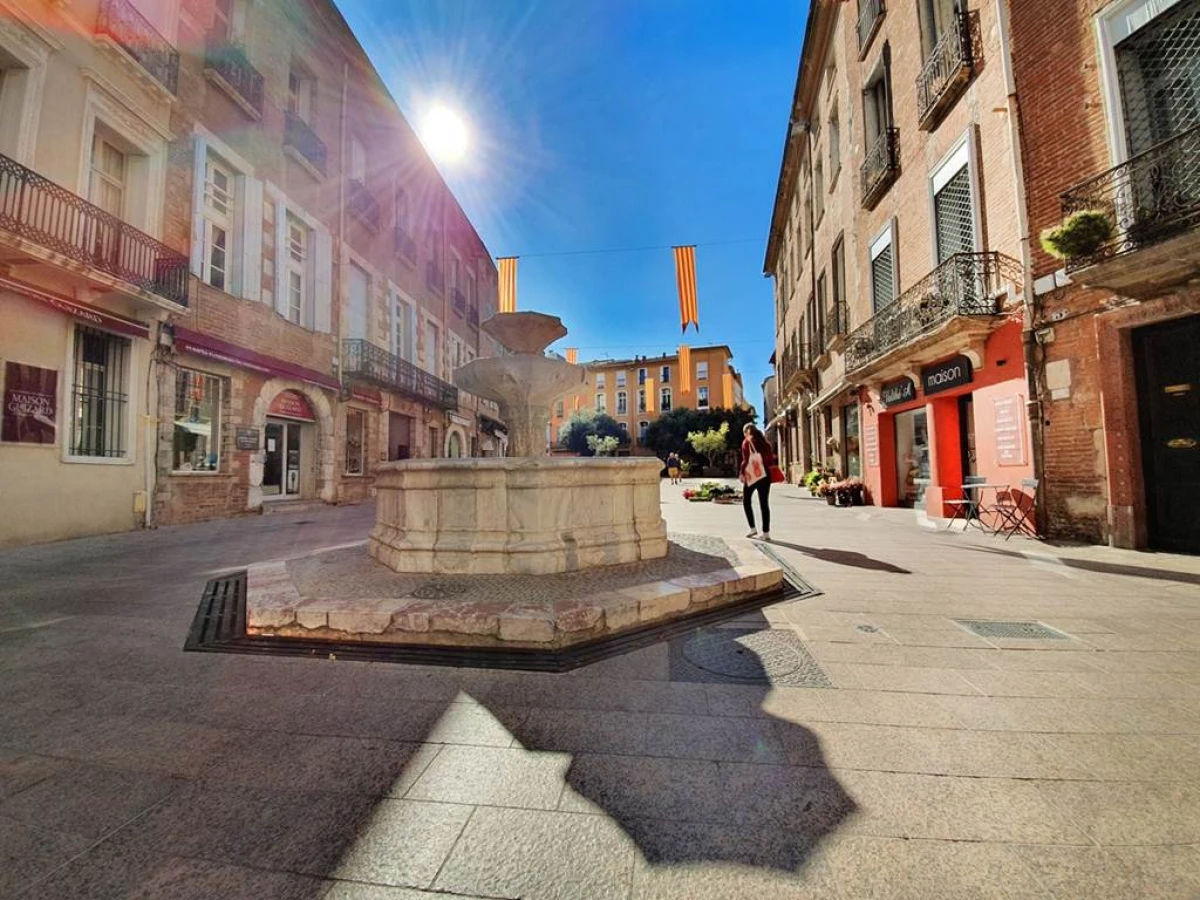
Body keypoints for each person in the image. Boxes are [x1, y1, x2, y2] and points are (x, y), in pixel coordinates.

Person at [740, 423, 776, 540]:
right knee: (764, 504)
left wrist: (741, 473)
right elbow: (771, 459)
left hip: (753, 475)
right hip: (765, 475)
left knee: (746, 500)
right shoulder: (766, 444)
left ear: (746, 432)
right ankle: (766, 533)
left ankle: (752, 528)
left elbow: (746, 460)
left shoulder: (747, 442)